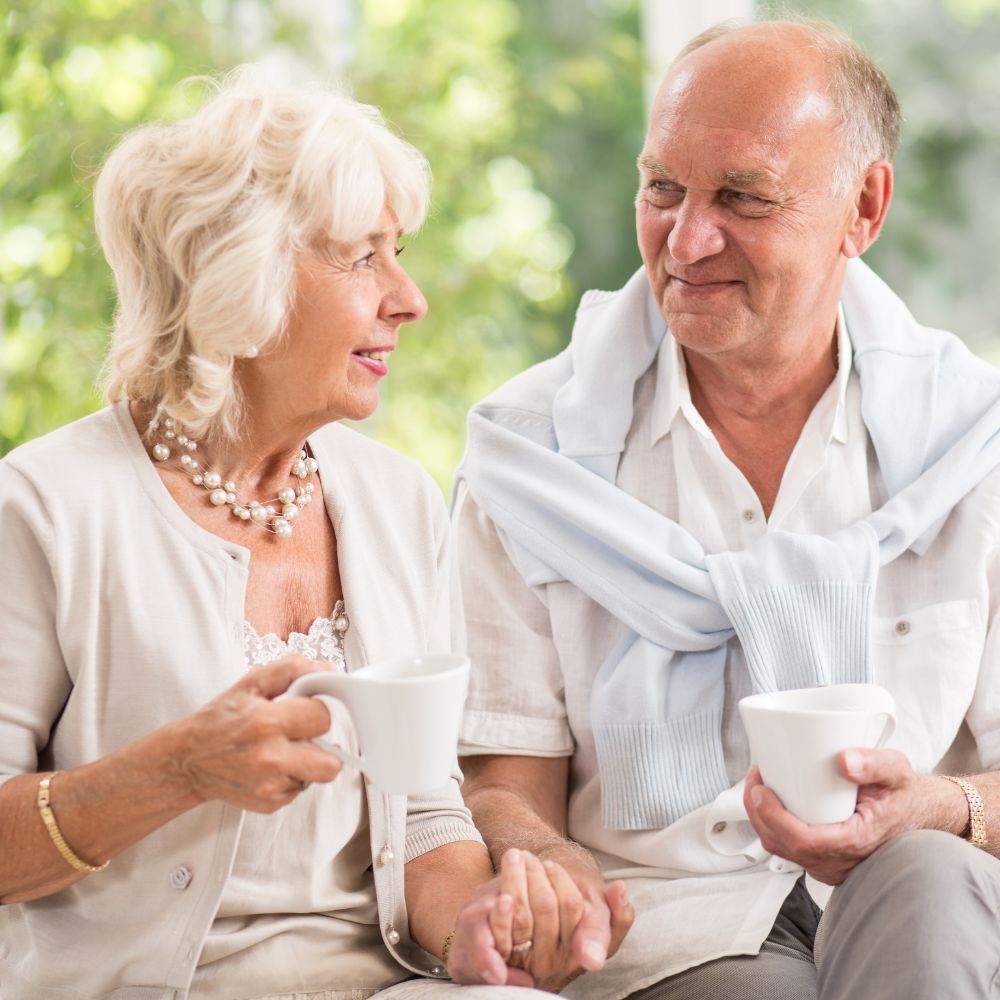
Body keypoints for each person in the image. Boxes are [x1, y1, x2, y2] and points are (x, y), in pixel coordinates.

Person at [453, 17, 1000, 1000]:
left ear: (863, 207)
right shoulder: (530, 459)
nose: (687, 240)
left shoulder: (976, 443)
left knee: (923, 878)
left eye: (743, 197)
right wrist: (549, 862)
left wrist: (937, 805)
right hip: (676, 925)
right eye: (662, 188)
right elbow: (504, 777)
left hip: (924, 909)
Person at [0, 67, 554, 1000]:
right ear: (242, 278)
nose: (409, 298)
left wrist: (478, 926)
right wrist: (177, 770)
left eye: (399, 252)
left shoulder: (400, 501)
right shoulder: (45, 506)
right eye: (365, 258)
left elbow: (426, 811)